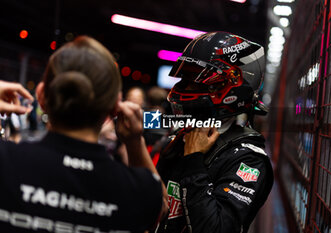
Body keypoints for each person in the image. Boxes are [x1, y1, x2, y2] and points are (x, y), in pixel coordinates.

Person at [0, 36, 168, 232]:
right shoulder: (141, 190)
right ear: (115, 107)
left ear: (41, 96)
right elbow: (161, 206)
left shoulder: (5, 161)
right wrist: (134, 141)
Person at [154, 32, 274, 233]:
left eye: (196, 80)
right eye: (186, 78)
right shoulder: (182, 133)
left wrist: (194, 160)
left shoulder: (250, 160)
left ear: (229, 84)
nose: (185, 87)